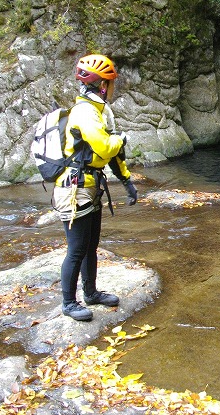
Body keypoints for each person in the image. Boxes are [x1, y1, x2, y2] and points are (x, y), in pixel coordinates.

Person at [52, 53, 138, 321]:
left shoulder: (100, 110)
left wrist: (126, 181)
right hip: (73, 189)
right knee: (77, 248)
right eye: (111, 83)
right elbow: (105, 145)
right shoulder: (85, 112)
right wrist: (121, 139)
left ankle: (90, 293)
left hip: (90, 186)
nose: (113, 87)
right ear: (102, 85)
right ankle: (68, 303)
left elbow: (109, 154)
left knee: (91, 245)